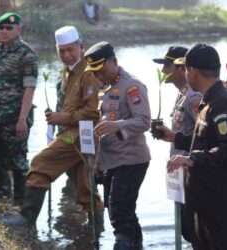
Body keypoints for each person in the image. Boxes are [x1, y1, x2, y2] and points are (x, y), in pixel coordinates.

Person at [0, 25, 104, 226]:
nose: (66, 55)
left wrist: (62, 117)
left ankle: (26, 218)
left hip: (81, 135)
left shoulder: (89, 73)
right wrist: (57, 117)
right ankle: (96, 230)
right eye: (61, 51)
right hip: (71, 133)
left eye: (70, 50)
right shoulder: (66, 72)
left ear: (81, 47)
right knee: (85, 188)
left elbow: (93, 113)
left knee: (40, 164)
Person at [160, 44, 227, 249]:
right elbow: (206, 139)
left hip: (217, 205)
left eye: (186, 68)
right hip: (203, 201)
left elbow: (226, 149)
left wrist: (193, 158)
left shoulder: (222, 103)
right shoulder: (208, 101)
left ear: (193, 72)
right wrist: (176, 138)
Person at [84, 41, 151, 250]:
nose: (98, 77)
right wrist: (98, 163)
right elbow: (103, 128)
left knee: (119, 212)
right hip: (111, 161)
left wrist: (117, 126)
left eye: (102, 71)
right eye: (95, 73)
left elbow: (144, 121)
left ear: (114, 61)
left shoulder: (132, 86)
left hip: (131, 160)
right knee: (122, 212)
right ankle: (135, 246)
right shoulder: (106, 87)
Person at [0, 13, 38, 204]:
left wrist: (22, 119)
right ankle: (3, 197)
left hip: (15, 117)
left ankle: (20, 204)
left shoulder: (27, 55)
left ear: (18, 30)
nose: (4, 32)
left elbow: (30, 87)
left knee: (18, 162)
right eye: (0, 28)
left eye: (9, 28)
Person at [152, 46, 202, 249]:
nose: (163, 71)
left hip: (193, 172)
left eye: (167, 65)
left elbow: (205, 138)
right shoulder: (182, 94)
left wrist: (175, 137)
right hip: (180, 172)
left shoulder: (193, 97)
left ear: (183, 68)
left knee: (194, 229)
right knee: (186, 229)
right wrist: (167, 135)